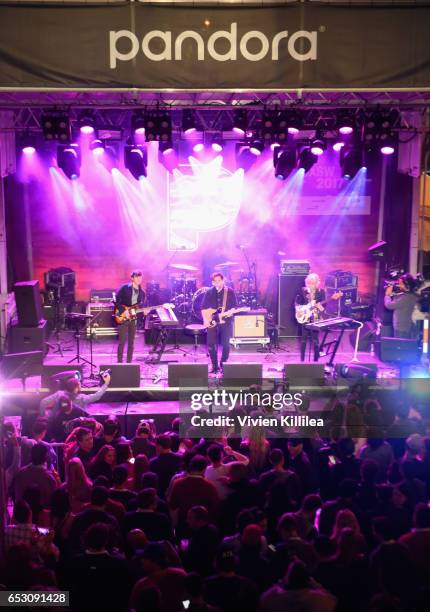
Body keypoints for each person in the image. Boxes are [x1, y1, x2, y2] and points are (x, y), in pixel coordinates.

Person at [295, 272, 340, 362]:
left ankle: (316, 361)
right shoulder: (302, 291)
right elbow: (297, 302)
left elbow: (324, 308)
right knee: (303, 340)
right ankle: (302, 360)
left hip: (315, 318)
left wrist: (320, 307)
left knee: (315, 340)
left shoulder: (321, 292)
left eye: (313, 283)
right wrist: (299, 310)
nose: (311, 285)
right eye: (309, 282)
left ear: (317, 283)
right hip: (304, 317)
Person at [201, 272, 238, 373]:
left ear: (223, 280)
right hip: (212, 321)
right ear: (213, 282)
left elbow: (235, 306)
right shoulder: (209, 292)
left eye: (219, 280)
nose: (218, 283)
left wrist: (231, 312)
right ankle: (214, 366)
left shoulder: (230, 292)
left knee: (226, 345)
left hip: (225, 321)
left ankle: (223, 364)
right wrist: (206, 320)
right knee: (211, 345)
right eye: (215, 281)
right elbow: (203, 308)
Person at [39, 371, 111, 416]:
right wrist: (106, 383)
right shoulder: (82, 398)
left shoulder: (59, 394)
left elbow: (43, 402)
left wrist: (43, 416)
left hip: (59, 423)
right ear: (76, 388)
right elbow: (97, 396)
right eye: (80, 385)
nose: (81, 386)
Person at [13, 443, 58, 508]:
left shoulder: (20, 473)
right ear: (46, 456)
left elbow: (18, 498)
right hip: (42, 516)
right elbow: (53, 502)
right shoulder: (49, 478)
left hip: (23, 515)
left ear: (31, 455)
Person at [115, 270, 146, 363]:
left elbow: (140, 308)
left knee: (131, 343)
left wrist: (144, 312)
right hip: (123, 317)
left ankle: (129, 363)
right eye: (137, 277)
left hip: (133, 319)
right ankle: (119, 363)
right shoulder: (124, 288)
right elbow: (116, 300)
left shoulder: (142, 293)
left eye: (140, 277)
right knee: (122, 342)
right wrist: (124, 311)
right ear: (132, 278)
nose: (139, 279)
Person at [384, 273, 419, 338]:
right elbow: (398, 300)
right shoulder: (410, 295)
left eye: (401, 283)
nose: (399, 285)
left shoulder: (407, 297)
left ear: (407, 285)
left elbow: (389, 305)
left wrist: (387, 295)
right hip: (404, 327)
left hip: (402, 328)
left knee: (400, 346)